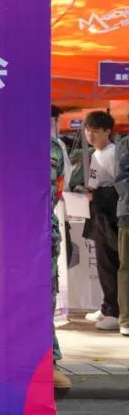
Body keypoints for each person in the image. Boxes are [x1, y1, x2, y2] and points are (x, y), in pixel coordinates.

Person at [78, 111, 120, 331]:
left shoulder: (112, 154)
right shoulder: (97, 154)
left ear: (107, 131)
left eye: (95, 130)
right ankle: (107, 306)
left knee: (111, 264)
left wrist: (96, 196)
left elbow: (120, 188)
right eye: (87, 130)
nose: (90, 134)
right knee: (104, 264)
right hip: (99, 216)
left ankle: (115, 311)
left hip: (110, 219)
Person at [50, 107, 72, 392]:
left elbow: (54, 190)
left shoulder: (52, 148)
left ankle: (48, 361)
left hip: (41, 232)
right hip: (10, 232)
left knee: (44, 296)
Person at [114, 118, 129, 337]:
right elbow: (122, 178)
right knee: (126, 267)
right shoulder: (125, 143)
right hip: (128, 213)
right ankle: (126, 319)